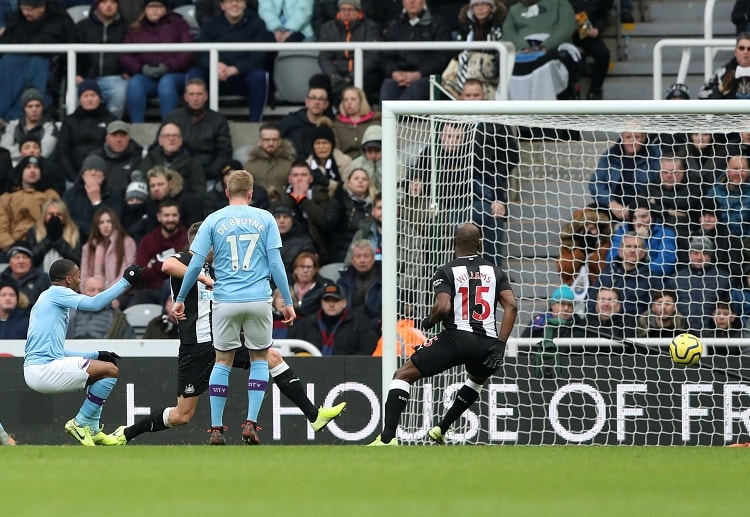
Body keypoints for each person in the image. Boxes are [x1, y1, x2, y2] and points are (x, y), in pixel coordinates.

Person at [111, 220, 345, 445]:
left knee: (271, 357)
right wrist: (202, 278)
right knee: (182, 415)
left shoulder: (217, 268)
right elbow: (167, 266)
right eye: (213, 241)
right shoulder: (187, 259)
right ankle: (126, 433)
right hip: (195, 345)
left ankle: (314, 415)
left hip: (222, 339)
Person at [171, 170, 297, 445]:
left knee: (223, 360)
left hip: (225, 300)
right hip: (258, 299)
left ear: (227, 193)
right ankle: (250, 422)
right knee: (259, 359)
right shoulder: (265, 219)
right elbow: (276, 263)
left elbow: (194, 264)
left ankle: (217, 428)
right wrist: (287, 302)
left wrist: (180, 298)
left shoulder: (214, 220)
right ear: (251, 193)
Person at [369, 223, 517, 446]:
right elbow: (511, 307)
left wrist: (428, 321)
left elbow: (443, 307)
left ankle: (387, 439)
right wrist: (500, 344)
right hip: (488, 343)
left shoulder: (446, 271)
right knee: (476, 380)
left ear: (453, 243)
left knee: (402, 375)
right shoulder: (495, 271)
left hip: (457, 338)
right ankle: (441, 429)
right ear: (480, 244)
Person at [23, 258, 143, 446]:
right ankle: (79, 423)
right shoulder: (58, 293)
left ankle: (93, 430)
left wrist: (96, 355)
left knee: (103, 372)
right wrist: (125, 281)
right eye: (79, 275)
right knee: (110, 371)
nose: (81, 280)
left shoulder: (48, 298)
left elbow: (57, 352)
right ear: (68, 280)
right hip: (43, 370)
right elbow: (95, 304)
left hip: (39, 368)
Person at [189, 0, 274, 122]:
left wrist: (235, 69)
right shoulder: (210, 24)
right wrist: (215, 67)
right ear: (222, 6)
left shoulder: (257, 24)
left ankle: (254, 124)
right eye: (230, 1)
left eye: (239, 1)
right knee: (195, 74)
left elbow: (259, 55)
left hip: (243, 76)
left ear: (245, 4)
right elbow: (200, 53)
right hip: (215, 75)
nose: (234, 4)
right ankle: (197, 121)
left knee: (259, 76)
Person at [0, 0, 77, 121]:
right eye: (23, 9)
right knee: (7, 61)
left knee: (38, 63)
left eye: (31, 10)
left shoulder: (60, 19)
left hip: (46, 64)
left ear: (43, 7)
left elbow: (71, 44)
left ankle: (22, 116)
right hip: (13, 64)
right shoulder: (17, 19)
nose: (26, 13)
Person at [120, 0, 195, 122]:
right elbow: (125, 55)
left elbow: (188, 51)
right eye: (151, 6)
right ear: (145, 10)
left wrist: (168, 66)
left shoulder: (179, 24)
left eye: (159, 6)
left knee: (166, 83)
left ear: (165, 9)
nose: (155, 10)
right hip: (146, 76)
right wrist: (141, 68)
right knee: (135, 83)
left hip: (175, 75)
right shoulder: (135, 28)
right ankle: (137, 127)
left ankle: (169, 127)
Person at [501, 0, 579, 101]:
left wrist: (546, 45)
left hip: (552, 46)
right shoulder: (514, 10)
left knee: (545, 61)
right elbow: (508, 31)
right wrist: (523, 46)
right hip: (524, 49)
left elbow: (567, 26)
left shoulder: (559, 3)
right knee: (508, 62)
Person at [164, 78, 233, 184]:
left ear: (206, 96)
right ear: (185, 97)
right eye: (191, 94)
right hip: (176, 173)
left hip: (208, 174)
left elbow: (224, 152)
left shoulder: (218, 120)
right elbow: (159, 146)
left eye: (199, 94)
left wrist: (210, 172)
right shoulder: (172, 118)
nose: (195, 98)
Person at [379, 0, 451, 102]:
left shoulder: (438, 24)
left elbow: (441, 57)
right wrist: (393, 72)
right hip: (399, 76)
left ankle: (398, 118)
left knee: (416, 89)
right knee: (388, 86)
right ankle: (389, 118)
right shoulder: (394, 25)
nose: (412, 2)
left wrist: (419, 73)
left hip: (426, 77)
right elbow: (386, 54)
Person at [317, 0, 382, 106]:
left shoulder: (370, 27)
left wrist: (350, 77)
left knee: (368, 82)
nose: (346, 13)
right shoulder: (328, 28)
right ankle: (329, 117)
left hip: (362, 73)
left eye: (350, 9)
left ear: (358, 11)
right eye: (343, 9)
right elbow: (324, 57)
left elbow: (372, 58)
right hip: (336, 72)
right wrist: (333, 75)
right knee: (318, 82)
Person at [589, 131, 661, 222]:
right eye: (628, 137)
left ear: (644, 138)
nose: (632, 141)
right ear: (622, 137)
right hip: (613, 206)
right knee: (588, 219)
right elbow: (596, 183)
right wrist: (611, 203)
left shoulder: (655, 156)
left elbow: (659, 186)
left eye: (637, 137)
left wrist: (634, 206)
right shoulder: (610, 155)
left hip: (643, 205)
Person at [287, 283, 377, 354]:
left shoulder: (360, 322)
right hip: (311, 372)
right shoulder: (306, 323)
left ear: (344, 303)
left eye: (336, 300)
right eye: (327, 300)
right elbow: (293, 349)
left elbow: (368, 350)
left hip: (349, 374)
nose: (331, 304)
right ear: (321, 302)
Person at [75, 0, 129, 118]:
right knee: (73, 92)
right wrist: (75, 73)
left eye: (112, 2)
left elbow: (131, 54)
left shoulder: (126, 28)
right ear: (97, 5)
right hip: (86, 77)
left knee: (120, 91)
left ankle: (111, 127)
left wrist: (128, 71)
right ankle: (81, 128)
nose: (108, 6)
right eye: (104, 2)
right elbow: (72, 53)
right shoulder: (82, 26)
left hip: (115, 77)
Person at [668, 236, 731, 332]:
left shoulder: (724, 279)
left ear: (711, 256)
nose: (699, 258)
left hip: (712, 335)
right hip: (680, 333)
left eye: (705, 253)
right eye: (695, 253)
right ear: (689, 254)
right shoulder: (675, 279)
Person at [445, 0, 507, 100]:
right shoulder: (466, 26)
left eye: (484, 4)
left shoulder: (500, 25)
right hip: (467, 66)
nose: (480, 8)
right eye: (476, 5)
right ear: (471, 9)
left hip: (491, 68)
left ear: (491, 7)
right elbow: (457, 51)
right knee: (449, 73)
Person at [0, 156, 60, 256]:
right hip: (14, 247)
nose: (32, 171)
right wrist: (13, 248)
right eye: (28, 167)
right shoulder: (6, 199)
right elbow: (1, 228)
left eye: (36, 167)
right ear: (21, 172)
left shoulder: (50, 195)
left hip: (43, 245)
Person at [132, 199, 187, 306]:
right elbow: (140, 272)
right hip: (151, 290)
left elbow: (184, 269)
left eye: (174, 215)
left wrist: (155, 265)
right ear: (159, 217)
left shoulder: (186, 239)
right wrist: (170, 267)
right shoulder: (148, 240)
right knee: (136, 302)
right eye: (166, 215)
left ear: (179, 216)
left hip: (179, 290)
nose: (170, 219)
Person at [62, 154, 124, 243]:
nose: (93, 173)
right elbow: (69, 222)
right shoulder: (70, 195)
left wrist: (97, 201)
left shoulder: (114, 195)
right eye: (89, 170)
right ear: (82, 175)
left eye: (97, 170)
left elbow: (113, 224)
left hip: (106, 243)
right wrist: (94, 229)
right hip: (76, 243)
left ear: (104, 176)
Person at [137, 123, 207, 197]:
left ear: (181, 140)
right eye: (167, 136)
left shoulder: (193, 162)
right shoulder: (150, 158)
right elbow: (143, 183)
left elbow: (199, 191)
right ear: (160, 141)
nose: (171, 139)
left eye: (175, 136)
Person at [80, 206, 137, 289]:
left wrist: (109, 292)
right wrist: (90, 290)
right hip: (93, 293)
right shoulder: (88, 247)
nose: (105, 225)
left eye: (109, 221)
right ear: (97, 225)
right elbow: (84, 276)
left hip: (120, 292)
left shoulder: (127, 242)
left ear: (115, 223)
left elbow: (127, 273)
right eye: (101, 222)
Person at [0, 87, 58, 165]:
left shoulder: (50, 127)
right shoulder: (13, 125)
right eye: (30, 106)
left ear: (42, 107)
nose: (34, 110)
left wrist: (18, 147)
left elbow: (44, 152)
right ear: (24, 108)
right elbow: (4, 150)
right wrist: (31, 150)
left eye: (37, 106)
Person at [558, 206, 613, 286]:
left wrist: (593, 252)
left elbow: (603, 271)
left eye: (592, 228)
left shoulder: (606, 244)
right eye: (584, 229)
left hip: (599, 289)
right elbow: (564, 273)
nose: (588, 233)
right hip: (574, 290)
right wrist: (581, 251)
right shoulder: (569, 246)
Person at [67, 275, 135, 339]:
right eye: (92, 290)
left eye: (101, 290)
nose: (97, 293)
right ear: (83, 292)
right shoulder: (68, 314)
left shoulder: (117, 317)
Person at [88, 120, 144, 196]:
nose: (119, 140)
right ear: (106, 138)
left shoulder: (137, 159)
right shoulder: (95, 159)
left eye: (122, 136)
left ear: (128, 138)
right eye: (114, 136)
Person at [569, 0, 612, 100]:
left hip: (587, 32)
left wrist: (597, 29)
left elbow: (603, 15)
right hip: (567, 32)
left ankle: (595, 90)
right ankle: (569, 93)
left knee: (604, 55)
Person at [337, 239, 381, 331]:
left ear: (373, 259)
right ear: (352, 260)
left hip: (378, 328)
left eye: (366, 256)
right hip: (349, 328)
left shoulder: (384, 280)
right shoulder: (343, 282)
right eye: (358, 256)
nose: (362, 260)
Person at [26, 198, 81, 272]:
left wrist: (59, 241)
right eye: (51, 214)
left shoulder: (74, 232)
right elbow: (30, 259)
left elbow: (78, 260)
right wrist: (48, 239)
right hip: (40, 277)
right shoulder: (34, 231)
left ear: (64, 217)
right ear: (45, 216)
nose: (55, 217)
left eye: (59, 214)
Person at [279, 84, 331, 160]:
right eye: (313, 98)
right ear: (307, 102)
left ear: (326, 105)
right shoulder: (289, 121)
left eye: (321, 99)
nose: (317, 102)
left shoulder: (329, 127)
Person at [242, 122, 297, 194]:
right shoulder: (249, 166)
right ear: (260, 141)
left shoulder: (291, 165)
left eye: (274, 140)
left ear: (280, 142)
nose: (271, 143)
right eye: (266, 140)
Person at [332, 86, 381, 159]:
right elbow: (337, 153)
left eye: (353, 99)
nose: (349, 103)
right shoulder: (336, 125)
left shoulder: (376, 122)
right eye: (345, 100)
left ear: (361, 101)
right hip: (346, 166)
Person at [306, 119, 352, 196]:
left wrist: (328, 183)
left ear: (332, 145)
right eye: (317, 143)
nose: (321, 147)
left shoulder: (345, 161)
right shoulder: (307, 164)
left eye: (325, 143)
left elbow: (348, 189)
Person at [699, 33, 750, 99]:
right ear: (735, 51)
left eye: (749, 49)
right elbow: (702, 95)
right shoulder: (723, 72)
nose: (745, 52)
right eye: (741, 48)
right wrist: (720, 89)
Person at [0, 241, 50, 307]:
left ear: (31, 261)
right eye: (17, 257)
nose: (21, 261)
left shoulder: (43, 278)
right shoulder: (2, 278)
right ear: (9, 262)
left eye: (25, 257)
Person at [288, 250, 335, 317]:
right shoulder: (285, 285)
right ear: (295, 269)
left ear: (315, 270)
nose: (305, 270)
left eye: (309, 267)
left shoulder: (325, 287)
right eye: (302, 266)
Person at [272, 204, 315, 275]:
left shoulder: (304, 242)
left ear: (292, 220)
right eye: (278, 217)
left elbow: (306, 271)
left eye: (285, 217)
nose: (282, 221)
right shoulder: (263, 240)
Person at [345, 191, 381, 264]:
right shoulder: (362, 233)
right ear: (373, 211)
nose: (385, 212)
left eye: (389, 208)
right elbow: (349, 264)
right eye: (380, 208)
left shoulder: (405, 233)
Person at [349, 124, 382, 192]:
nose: (373, 155)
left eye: (377, 150)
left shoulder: (396, 164)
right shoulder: (356, 164)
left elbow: (399, 189)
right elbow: (350, 189)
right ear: (364, 151)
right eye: (369, 151)